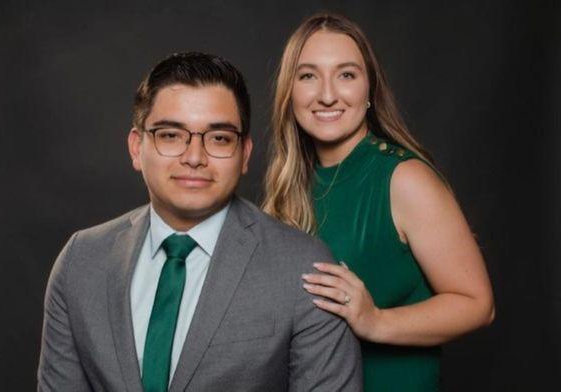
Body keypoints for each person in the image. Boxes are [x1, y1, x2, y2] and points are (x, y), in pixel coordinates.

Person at [37, 52, 362, 391]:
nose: (194, 157)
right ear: (137, 147)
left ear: (245, 154)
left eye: (219, 138)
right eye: (170, 135)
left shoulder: (304, 268)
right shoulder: (81, 260)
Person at [263, 13, 495, 391]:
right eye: (308, 75)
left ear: (369, 90)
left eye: (346, 74)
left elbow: (477, 304)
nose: (326, 94)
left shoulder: (404, 178)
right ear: (289, 92)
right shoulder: (291, 184)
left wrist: (375, 321)